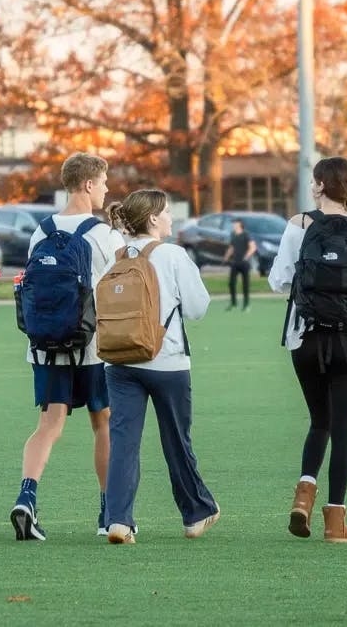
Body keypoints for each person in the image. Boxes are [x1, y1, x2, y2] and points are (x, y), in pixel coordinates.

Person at [10, 152, 126, 541]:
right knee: (103, 422)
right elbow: (115, 289)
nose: (107, 190)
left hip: (45, 344)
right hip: (91, 344)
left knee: (48, 424)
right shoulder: (104, 234)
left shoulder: (40, 232)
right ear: (89, 184)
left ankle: (27, 497)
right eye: (104, 183)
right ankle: (109, 510)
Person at [268, 156, 347, 543]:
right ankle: (336, 523)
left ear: (318, 186)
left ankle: (304, 493)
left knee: (320, 420)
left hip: (307, 337)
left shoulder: (299, 225)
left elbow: (278, 280)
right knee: (343, 431)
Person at [102, 190, 219, 544]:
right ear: (153, 218)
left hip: (120, 360)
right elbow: (198, 308)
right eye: (167, 212)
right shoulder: (173, 255)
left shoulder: (116, 255)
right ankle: (195, 513)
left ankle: (118, 521)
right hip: (166, 361)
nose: (171, 218)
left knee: (123, 441)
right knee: (176, 440)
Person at [223, 219, 257, 312]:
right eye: (233, 223)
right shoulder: (233, 234)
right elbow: (232, 247)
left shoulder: (246, 234)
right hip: (235, 263)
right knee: (231, 283)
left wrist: (246, 257)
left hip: (244, 264)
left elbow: (253, 247)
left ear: (240, 224)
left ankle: (246, 305)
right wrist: (226, 257)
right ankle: (234, 303)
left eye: (235, 223)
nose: (234, 225)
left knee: (245, 284)